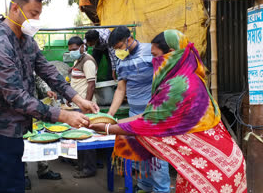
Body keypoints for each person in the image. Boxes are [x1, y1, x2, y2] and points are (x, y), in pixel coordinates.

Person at [0, 0, 99, 193]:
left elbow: (48, 70)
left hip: (14, 126)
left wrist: (77, 99)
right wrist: (64, 116)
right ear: (15, 9)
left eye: (39, 14)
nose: (37, 20)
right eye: (33, 13)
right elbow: (17, 98)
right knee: (10, 185)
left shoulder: (27, 41)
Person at [90, 30, 247, 193]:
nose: (155, 62)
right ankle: (145, 186)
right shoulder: (184, 77)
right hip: (211, 165)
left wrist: (107, 128)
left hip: (215, 171)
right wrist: (110, 120)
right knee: (144, 160)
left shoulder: (178, 86)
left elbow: (148, 121)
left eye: (156, 56)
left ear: (171, 54)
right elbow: (145, 114)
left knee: (158, 165)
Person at [106, 26, 170, 193]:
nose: (118, 51)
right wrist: (110, 114)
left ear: (129, 38)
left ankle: (161, 190)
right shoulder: (121, 61)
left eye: (120, 46)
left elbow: (166, 80)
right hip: (133, 113)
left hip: (153, 113)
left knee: (157, 156)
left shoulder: (151, 51)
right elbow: (121, 89)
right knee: (139, 153)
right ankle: (143, 187)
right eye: (115, 49)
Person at [24, 75, 62, 190]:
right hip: (18, 107)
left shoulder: (29, 58)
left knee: (40, 136)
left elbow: (38, 78)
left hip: (34, 106)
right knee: (23, 140)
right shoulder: (9, 61)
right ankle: (23, 174)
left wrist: (47, 90)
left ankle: (43, 170)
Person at [68, 36, 98, 178]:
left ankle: (89, 169)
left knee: (87, 138)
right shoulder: (77, 60)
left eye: (74, 49)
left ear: (81, 47)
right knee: (79, 137)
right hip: (77, 104)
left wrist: (86, 105)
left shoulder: (88, 62)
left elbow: (91, 85)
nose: (72, 52)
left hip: (85, 105)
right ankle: (82, 166)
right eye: (70, 50)